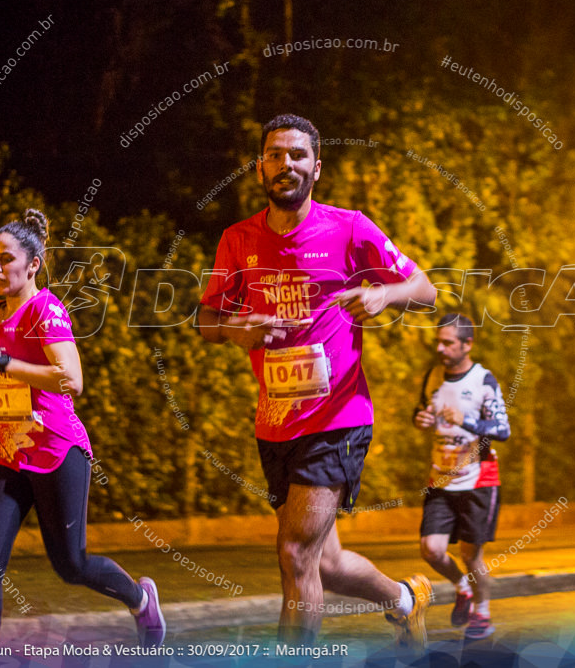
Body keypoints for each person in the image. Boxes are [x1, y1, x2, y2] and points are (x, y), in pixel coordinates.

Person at [197, 114, 437, 651]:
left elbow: (425, 289)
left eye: (298, 155)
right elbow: (206, 321)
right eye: (276, 154)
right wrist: (239, 330)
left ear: (316, 167)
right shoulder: (237, 241)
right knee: (324, 562)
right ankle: (405, 599)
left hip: (339, 418)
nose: (287, 164)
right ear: (260, 166)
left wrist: (383, 295)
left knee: (295, 555)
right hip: (276, 422)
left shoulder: (349, 227)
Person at [0, 209, 165, 648]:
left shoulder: (47, 310)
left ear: (32, 265)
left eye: (6, 259)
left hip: (55, 451)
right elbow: (8, 376)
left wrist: (3, 362)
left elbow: (71, 379)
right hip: (6, 451)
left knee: (71, 566)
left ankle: (142, 601)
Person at [414, 313, 510, 640]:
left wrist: (466, 421)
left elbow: (502, 430)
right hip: (441, 478)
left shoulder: (484, 380)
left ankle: (482, 614)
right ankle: (461, 586)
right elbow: (421, 411)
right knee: (431, 549)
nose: (440, 348)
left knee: (471, 555)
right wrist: (422, 419)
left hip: (478, 478)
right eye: (438, 341)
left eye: (448, 342)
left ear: (468, 344)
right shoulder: (433, 376)